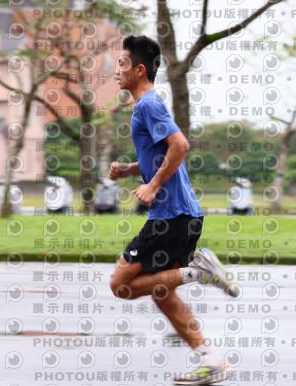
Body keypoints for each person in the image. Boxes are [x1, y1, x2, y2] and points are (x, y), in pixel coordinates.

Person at [108, 35, 239, 385]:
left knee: (121, 285)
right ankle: (211, 361)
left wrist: (152, 186)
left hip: (171, 215)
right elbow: (163, 153)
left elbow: (180, 145)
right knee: (162, 291)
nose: (116, 70)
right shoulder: (146, 106)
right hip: (182, 215)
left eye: (121, 64)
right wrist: (132, 169)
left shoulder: (148, 104)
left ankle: (198, 272)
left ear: (139, 70)